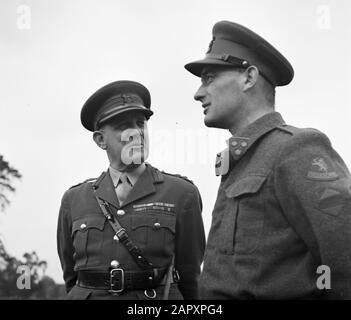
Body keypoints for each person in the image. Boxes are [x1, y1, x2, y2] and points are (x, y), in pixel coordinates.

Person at [184, 20, 351, 299]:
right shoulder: (239, 159)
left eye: (209, 78)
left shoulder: (298, 149)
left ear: (249, 78)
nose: (198, 92)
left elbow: (344, 252)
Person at [57, 80, 205, 300]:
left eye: (141, 123)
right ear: (100, 140)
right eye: (123, 126)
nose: (136, 133)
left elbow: (190, 277)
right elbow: (72, 277)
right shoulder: (74, 199)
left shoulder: (182, 194)